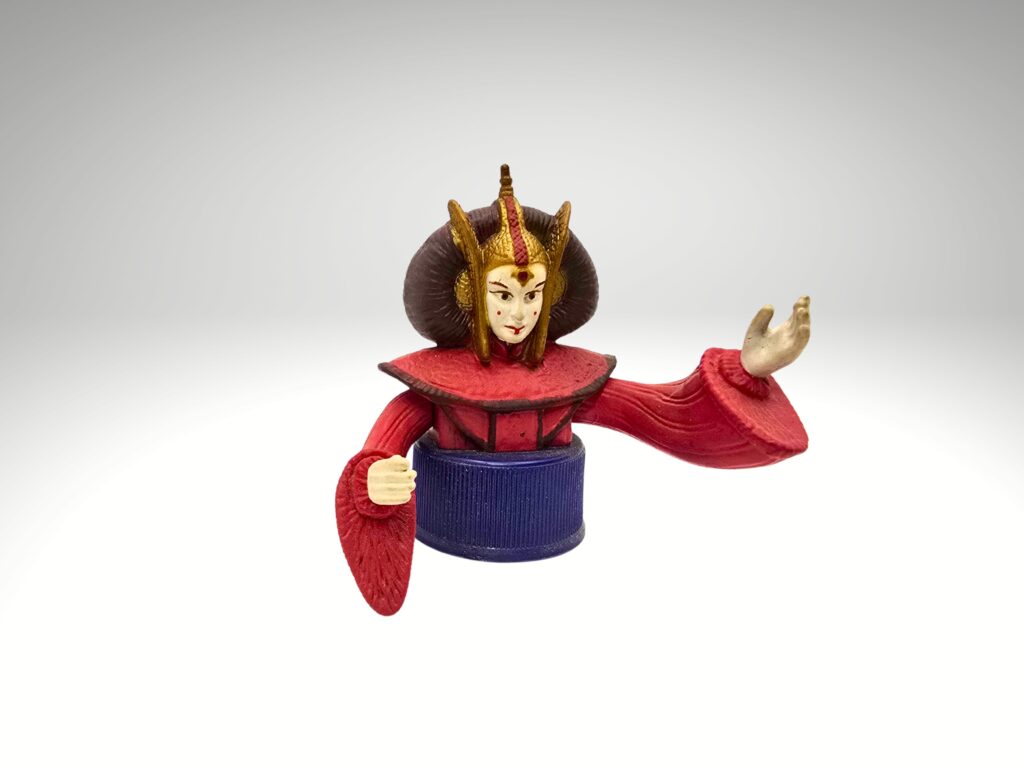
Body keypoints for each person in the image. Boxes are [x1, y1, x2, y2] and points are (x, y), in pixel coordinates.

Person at [335, 166, 811, 615]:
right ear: (471, 292)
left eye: (532, 295)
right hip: (453, 561)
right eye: (503, 295)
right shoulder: (435, 388)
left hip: (564, 572)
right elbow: (378, 452)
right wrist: (371, 483)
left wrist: (745, 370)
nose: (519, 314)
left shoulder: (569, 383)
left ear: (550, 294)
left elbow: (671, 411)